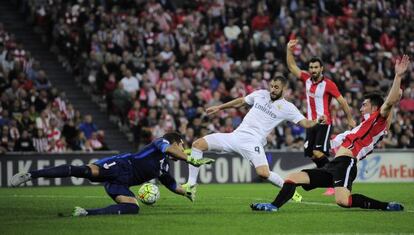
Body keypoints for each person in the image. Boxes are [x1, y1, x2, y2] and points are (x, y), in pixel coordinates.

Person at [250, 55, 410, 212]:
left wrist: (397, 76)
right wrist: (395, 101)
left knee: (343, 201)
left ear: (374, 108)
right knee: (292, 177)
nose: (360, 108)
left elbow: (388, 103)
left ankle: (386, 206)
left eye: (364, 105)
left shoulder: (378, 119)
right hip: (333, 165)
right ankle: (273, 206)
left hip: (347, 163)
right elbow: (389, 105)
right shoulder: (366, 125)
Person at [184, 75, 326, 202]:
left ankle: (289, 190)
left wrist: (317, 121)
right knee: (198, 144)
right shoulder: (260, 94)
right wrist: (220, 108)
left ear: (284, 89)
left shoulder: (288, 108)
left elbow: (305, 123)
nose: (272, 89)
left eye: (277, 87)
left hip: (253, 142)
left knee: (263, 173)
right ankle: (191, 185)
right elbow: (241, 101)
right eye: (271, 86)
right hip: (235, 136)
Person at [10, 132, 214, 216]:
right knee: (84, 171)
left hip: (120, 183)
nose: (183, 149)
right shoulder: (160, 144)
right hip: (119, 165)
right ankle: (30, 175)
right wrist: (191, 158)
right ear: (176, 142)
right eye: (182, 145)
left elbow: (171, 185)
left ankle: (86, 213)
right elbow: (169, 149)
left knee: (132, 208)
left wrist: (185, 192)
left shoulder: (163, 168)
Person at [286, 39, 356, 195]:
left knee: (318, 153)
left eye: (316, 67)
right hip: (311, 123)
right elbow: (292, 66)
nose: (313, 70)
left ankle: (334, 179)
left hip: (324, 123)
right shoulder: (306, 79)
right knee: (310, 152)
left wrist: (349, 119)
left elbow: (342, 101)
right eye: (311, 67)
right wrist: (289, 50)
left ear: (321, 68)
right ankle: (330, 176)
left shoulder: (329, 84)